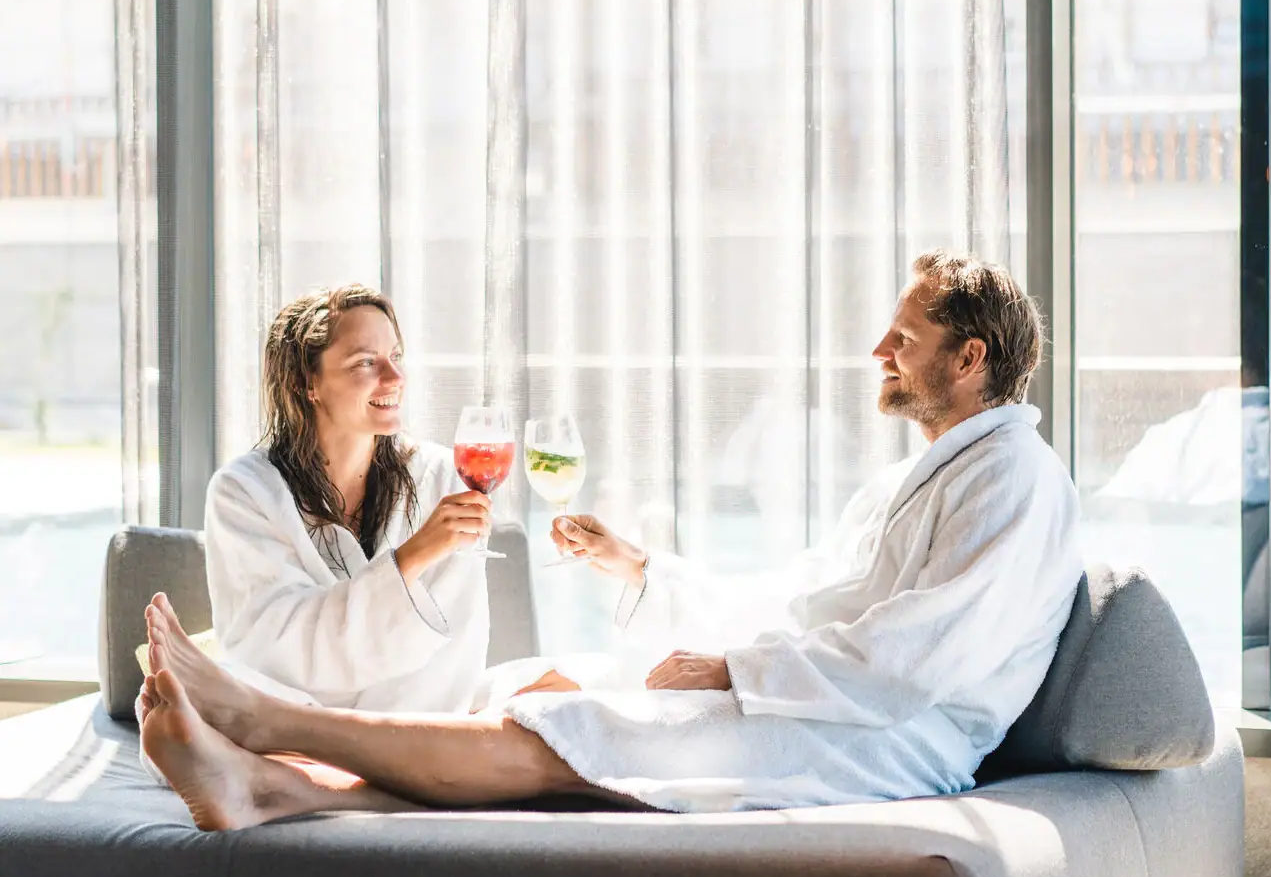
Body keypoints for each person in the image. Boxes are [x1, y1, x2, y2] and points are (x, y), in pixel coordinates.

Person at [139, 250, 1084, 831]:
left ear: (970, 360)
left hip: (890, 740)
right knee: (586, 696)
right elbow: (803, 600)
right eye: (364, 363)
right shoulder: (918, 480)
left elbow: (914, 657)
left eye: (902, 338)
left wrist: (730, 673)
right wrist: (643, 572)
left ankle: (274, 729)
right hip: (847, 707)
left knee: (581, 723)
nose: (879, 353)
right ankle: (278, 792)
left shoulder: (1010, 477)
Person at [196, 284, 493, 713]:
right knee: (226, 692)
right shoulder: (243, 492)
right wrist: (410, 558)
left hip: (419, 719)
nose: (395, 378)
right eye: (366, 362)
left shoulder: (445, 479)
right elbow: (272, 654)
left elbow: (452, 652)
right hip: (294, 717)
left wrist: (381, 737)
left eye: (396, 357)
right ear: (306, 383)